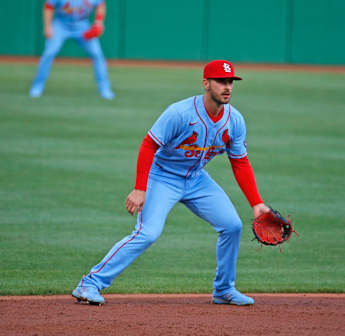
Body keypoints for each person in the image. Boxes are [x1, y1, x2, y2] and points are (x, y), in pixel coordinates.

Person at [72, 60, 271, 305]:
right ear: (206, 84)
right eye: (221, 81)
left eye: (230, 81)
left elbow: (240, 163)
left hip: (196, 179)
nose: (227, 86)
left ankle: (223, 290)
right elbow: (149, 145)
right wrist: (140, 188)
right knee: (148, 233)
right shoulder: (180, 113)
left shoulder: (235, 120)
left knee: (232, 226)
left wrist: (257, 203)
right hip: (162, 176)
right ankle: (90, 283)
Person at [29, 0, 114, 100]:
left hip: (82, 25)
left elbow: (101, 4)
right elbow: (48, 6)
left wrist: (99, 21)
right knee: (49, 52)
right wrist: (47, 26)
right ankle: (37, 86)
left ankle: (105, 89)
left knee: (97, 54)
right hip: (61, 24)